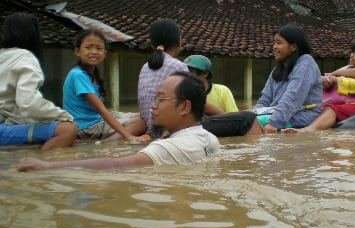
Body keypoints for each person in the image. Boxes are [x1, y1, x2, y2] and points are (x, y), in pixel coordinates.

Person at [17, 72, 220, 172]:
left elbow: (116, 164)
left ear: (184, 107)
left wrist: (46, 166)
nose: (153, 106)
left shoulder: (168, 148)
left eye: (160, 99)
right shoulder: (210, 138)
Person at [0, 13, 76, 150]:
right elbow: (28, 104)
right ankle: (39, 164)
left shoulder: (3, 55)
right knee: (67, 129)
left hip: (6, 124)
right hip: (2, 130)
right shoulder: (26, 58)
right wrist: (64, 115)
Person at [285, 38, 355, 133]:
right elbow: (332, 78)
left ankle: (309, 129)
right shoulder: (349, 69)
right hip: (347, 105)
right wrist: (327, 81)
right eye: (352, 52)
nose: (351, 55)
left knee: (332, 109)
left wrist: (337, 81)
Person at [63, 30, 147, 142]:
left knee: (142, 115)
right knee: (143, 123)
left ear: (105, 53)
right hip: (86, 127)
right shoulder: (78, 75)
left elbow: (100, 110)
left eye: (98, 48)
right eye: (88, 47)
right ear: (77, 51)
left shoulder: (89, 74)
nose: (94, 52)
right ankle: (105, 143)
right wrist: (129, 136)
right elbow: (101, 109)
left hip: (93, 120)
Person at [254, 24, 322, 130]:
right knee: (246, 117)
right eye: (274, 43)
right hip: (275, 114)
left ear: (293, 47)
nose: (274, 47)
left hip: (300, 116)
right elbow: (264, 99)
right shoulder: (278, 68)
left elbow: (292, 98)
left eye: (279, 43)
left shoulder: (306, 62)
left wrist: (273, 123)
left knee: (247, 124)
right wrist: (254, 114)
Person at [138, 19, 189, 137]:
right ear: (178, 42)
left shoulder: (145, 67)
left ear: (152, 44)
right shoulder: (179, 66)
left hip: (150, 127)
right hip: (168, 129)